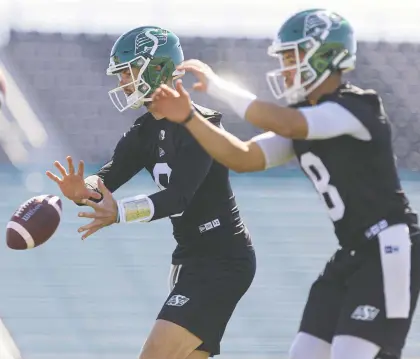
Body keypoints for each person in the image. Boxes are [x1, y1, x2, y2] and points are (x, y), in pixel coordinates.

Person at [149, 9, 420, 359]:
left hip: (387, 246)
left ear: (326, 55)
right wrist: (189, 118)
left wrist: (217, 87)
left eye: (294, 57)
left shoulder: (357, 107)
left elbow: (291, 123)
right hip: (349, 253)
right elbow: (243, 156)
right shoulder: (306, 118)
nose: (287, 67)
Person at [46, 26, 256, 359]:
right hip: (191, 259)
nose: (122, 82)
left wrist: (119, 213)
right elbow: (104, 182)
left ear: (156, 68)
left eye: (128, 72)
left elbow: (179, 197)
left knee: (155, 354)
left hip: (223, 259)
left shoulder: (201, 125)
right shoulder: (142, 133)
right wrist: (80, 190)